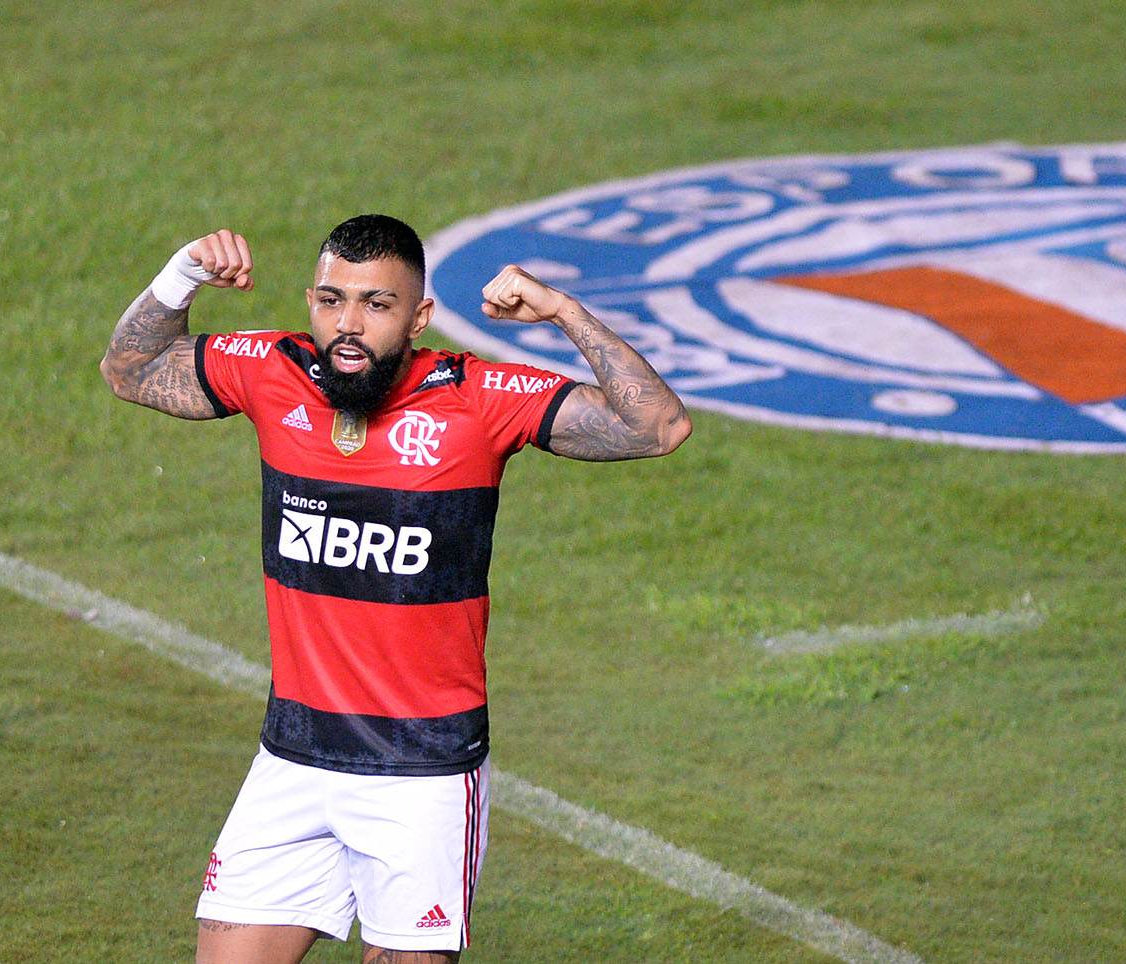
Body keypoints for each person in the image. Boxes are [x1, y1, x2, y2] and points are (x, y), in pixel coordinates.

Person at [100, 215, 691, 963]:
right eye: (329, 299)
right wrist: (182, 273)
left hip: (421, 773)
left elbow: (657, 427)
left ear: (418, 318)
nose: (347, 325)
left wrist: (566, 314)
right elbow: (129, 370)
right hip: (294, 758)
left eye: (376, 305)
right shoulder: (270, 369)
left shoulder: (479, 397)